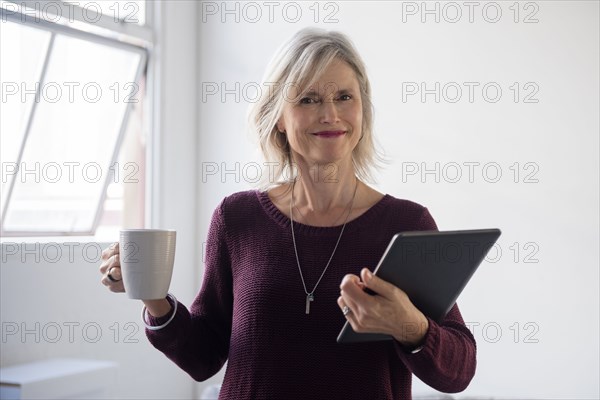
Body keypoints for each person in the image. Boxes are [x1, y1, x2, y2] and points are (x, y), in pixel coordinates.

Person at [99, 28, 476, 399]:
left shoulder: (407, 224)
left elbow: (458, 372)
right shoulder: (236, 218)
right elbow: (203, 358)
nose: (330, 114)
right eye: (308, 99)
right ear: (278, 116)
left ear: (363, 109)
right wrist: (153, 298)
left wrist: (408, 326)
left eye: (345, 96)